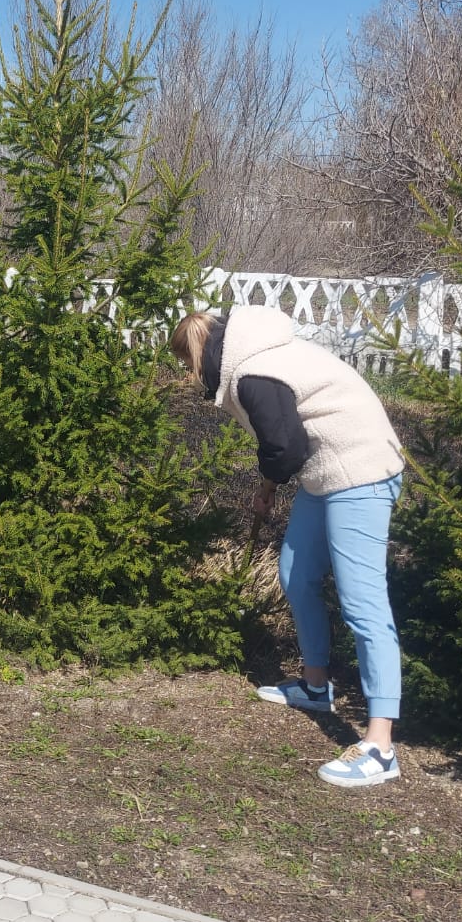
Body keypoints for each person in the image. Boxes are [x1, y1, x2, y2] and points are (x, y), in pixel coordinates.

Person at [171, 305, 406, 787]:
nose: (190, 375)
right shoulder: (255, 357)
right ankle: (316, 687)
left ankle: (381, 747)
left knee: (363, 603)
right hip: (326, 468)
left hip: (359, 472)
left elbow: (284, 448)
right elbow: (286, 439)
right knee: (296, 574)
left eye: (187, 365)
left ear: (197, 356)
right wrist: (267, 488)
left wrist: (272, 477)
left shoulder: (253, 375)